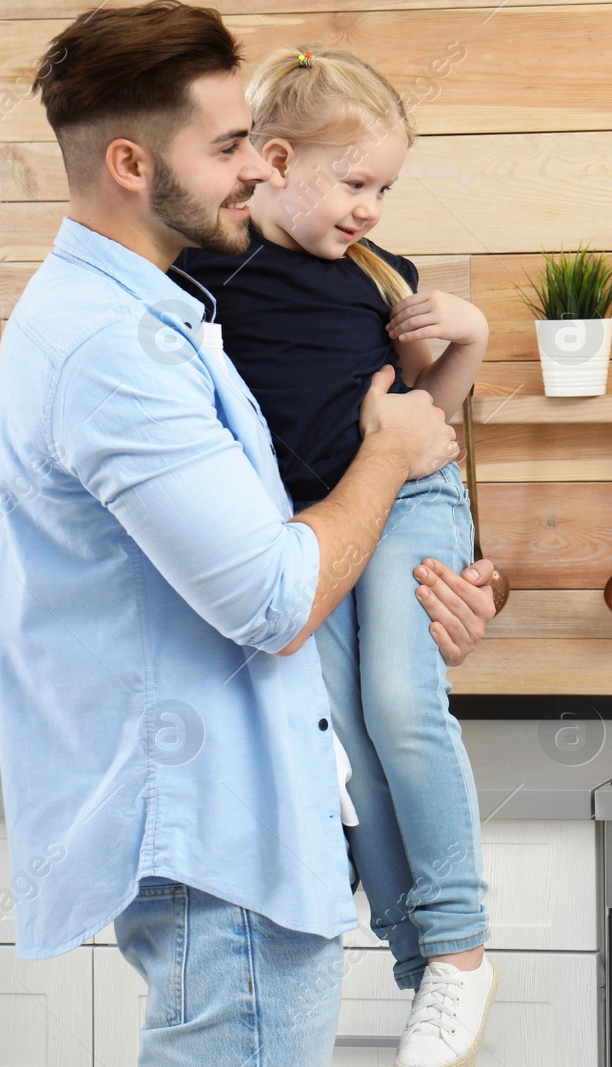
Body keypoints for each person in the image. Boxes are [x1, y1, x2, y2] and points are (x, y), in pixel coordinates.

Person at [0, 2, 499, 1062]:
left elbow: (293, 533)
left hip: (246, 827)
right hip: (222, 849)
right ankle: (444, 945)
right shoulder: (120, 345)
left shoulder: (153, 318)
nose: (256, 173)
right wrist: (389, 461)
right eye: (228, 148)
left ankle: (445, 946)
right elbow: (274, 595)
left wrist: (421, 581)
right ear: (131, 163)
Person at [173, 45, 496, 1064]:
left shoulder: (378, 278)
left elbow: (428, 423)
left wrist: (474, 338)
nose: (372, 207)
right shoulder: (200, 275)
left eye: (385, 187)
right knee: (342, 736)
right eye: (357, 183)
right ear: (275, 160)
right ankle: (418, 959)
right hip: (311, 527)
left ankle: (458, 949)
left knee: (402, 704)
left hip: (411, 498)